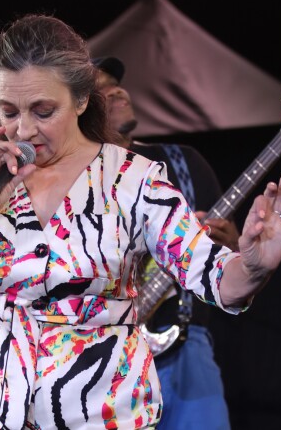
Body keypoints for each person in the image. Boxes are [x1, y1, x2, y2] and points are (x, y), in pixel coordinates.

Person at [0, 13, 281, 430]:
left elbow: (214, 276)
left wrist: (253, 266)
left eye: (43, 110)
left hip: (103, 408)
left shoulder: (134, 178)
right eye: (8, 111)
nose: (24, 129)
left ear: (82, 99)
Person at [94, 55, 239, 429]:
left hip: (187, 348)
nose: (117, 89)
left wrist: (235, 247)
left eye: (116, 82)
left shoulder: (183, 162)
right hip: (102, 358)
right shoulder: (77, 179)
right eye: (100, 87)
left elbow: (225, 266)